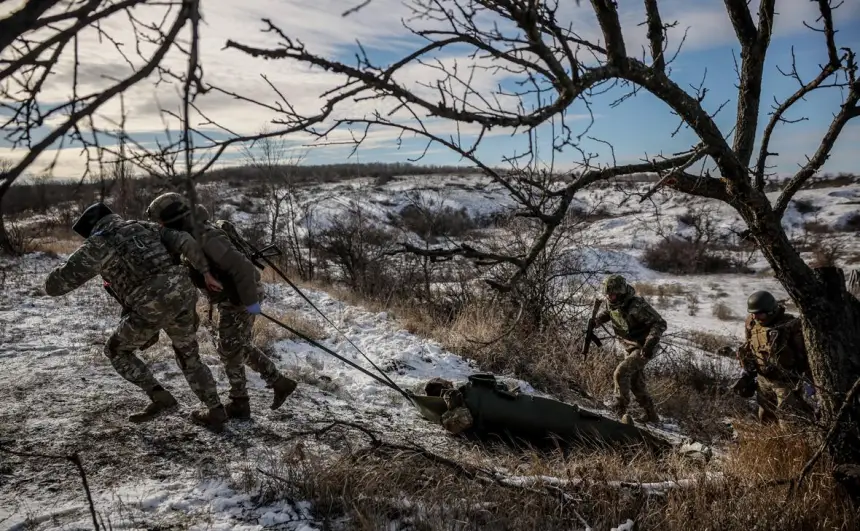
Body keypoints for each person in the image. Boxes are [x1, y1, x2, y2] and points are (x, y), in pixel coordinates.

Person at [44, 203, 230, 431]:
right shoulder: (143, 227)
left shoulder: (96, 245)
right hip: (182, 293)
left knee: (116, 351)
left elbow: (54, 286)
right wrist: (204, 271)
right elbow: (183, 239)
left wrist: (67, 263)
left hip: (150, 303)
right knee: (189, 355)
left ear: (90, 229)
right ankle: (215, 410)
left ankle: (159, 396)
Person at [145, 193, 297, 420]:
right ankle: (275, 384)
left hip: (240, 297)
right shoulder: (191, 234)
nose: (160, 226)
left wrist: (250, 303)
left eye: (161, 221)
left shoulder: (206, 236)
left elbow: (243, 268)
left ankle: (241, 402)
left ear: (170, 217)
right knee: (233, 345)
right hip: (231, 297)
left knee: (229, 348)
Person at [732, 290, 814, 426]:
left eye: (760, 314)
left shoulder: (791, 325)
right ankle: (771, 445)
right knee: (765, 417)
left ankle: (793, 446)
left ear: (771, 311)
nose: (756, 317)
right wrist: (746, 371)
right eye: (753, 314)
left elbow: (805, 355)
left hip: (786, 382)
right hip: (763, 379)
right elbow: (749, 346)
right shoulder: (752, 323)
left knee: (787, 421)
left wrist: (808, 381)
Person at [593, 274, 667, 424]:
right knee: (635, 382)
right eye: (608, 294)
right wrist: (597, 321)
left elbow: (659, 323)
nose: (609, 297)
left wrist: (649, 344)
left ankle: (619, 409)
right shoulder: (611, 302)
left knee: (621, 373)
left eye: (612, 294)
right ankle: (651, 415)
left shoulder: (636, 305)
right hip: (629, 346)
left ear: (620, 292)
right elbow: (609, 313)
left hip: (644, 346)